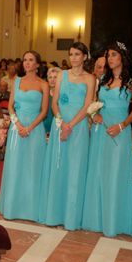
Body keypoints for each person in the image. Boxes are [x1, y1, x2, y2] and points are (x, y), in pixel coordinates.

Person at [82, 42, 132, 236]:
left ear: (122, 57)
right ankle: (96, 219)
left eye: (113, 55)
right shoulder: (104, 80)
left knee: (115, 174)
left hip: (120, 130)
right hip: (101, 131)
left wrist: (122, 126)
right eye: (108, 56)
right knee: (98, 171)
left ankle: (114, 220)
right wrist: (94, 115)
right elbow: (95, 104)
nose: (110, 59)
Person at [39, 42, 95, 230]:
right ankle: (54, 213)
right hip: (60, 125)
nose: (73, 58)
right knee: (58, 167)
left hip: (78, 128)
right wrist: (62, 122)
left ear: (85, 57)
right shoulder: (62, 75)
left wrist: (70, 125)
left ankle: (71, 217)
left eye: (77, 54)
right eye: (71, 54)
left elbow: (88, 105)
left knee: (75, 169)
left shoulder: (90, 78)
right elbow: (54, 102)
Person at [0, 51, 49, 222]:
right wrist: (18, 125)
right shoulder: (16, 81)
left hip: (35, 130)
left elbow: (44, 112)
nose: (27, 63)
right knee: (15, 166)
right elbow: (11, 107)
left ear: (37, 64)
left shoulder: (44, 84)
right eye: (25, 60)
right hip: (17, 128)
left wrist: (29, 128)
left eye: (31, 60)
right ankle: (12, 207)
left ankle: (31, 209)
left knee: (32, 167)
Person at [43, 67, 61, 133]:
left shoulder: (63, 95)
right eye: (50, 77)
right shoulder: (44, 94)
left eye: (55, 77)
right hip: (44, 129)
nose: (52, 80)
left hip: (58, 128)